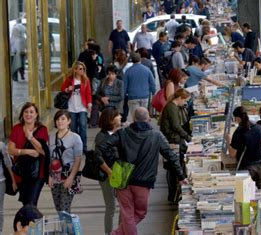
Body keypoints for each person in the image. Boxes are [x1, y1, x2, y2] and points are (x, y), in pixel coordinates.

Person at [96, 107, 186, 235]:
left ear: (133, 118)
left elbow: (101, 148)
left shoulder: (122, 133)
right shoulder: (156, 135)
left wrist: (114, 160)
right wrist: (181, 176)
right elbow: (171, 155)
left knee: (127, 214)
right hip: (143, 182)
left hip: (123, 180)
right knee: (140, 213)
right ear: (148, 118)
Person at [8, 103, 50, 206]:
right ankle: (30, 222)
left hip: (37, 173)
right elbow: (10, 149)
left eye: (31, 112)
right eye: (26, 112)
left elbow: (43, 151)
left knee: (31, 204)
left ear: (36, 115)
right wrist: (27, 151)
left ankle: (33, 221)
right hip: (21, 172)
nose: (28, 114)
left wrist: (30, 137)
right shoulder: (16, 128)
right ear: (22, 114)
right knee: (26, 204)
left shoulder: (42, 129)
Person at [159, 89, 192, 203]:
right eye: (185, 101)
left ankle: (172, 194)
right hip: (173, 140)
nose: (185, 103)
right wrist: (188, 137)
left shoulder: (171, 106)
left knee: (172, 167)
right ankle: (173, 195)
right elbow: (176, 126)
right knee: (173, 167)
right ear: (180, 98)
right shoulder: (172, 108)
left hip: (172, 139)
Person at [48, 110, 83, 213]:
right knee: (59, 209)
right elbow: (49, 159)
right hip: (54, 178)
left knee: (64, 210)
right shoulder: (51, 137)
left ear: (69, 121)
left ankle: (67, 229)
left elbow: (78, 160)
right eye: (57, 119)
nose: (60, 121)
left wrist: (71, 178)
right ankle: (67, 229)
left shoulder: (75, 138)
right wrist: (49, 176)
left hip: (68, 177)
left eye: (63, 119)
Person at [224, 106, 261, 190]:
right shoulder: (258, 128)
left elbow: (232, 154)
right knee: (260, 192)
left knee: (245, 193)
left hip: (247, 167)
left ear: (237, 118)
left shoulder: (239, 132)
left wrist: (228, 140)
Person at [95, 107, 121, 235]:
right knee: (111, 207)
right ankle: (108, 233)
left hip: (120, 174)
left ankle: (121, 231)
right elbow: (98, 157)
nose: (120, 117)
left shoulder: (120, 133)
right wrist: (109, 172)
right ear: (110, 119)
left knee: (123, 206)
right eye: (117, 115)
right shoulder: (101, 136)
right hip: (107, 176)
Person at [61, 61, 92, 153]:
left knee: (83, 126)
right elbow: (62, 89)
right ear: (75, 70)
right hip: (71, 107)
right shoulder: (69, 79)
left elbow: (88, 93)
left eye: (83, 69)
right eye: (80, 69)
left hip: (82, 107)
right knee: (73, 128)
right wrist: (67, 89)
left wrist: (89, 103)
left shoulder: (85, 80)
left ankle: (84, 147)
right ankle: (75, 146)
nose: (82, 70)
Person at [123, 52, 156, 122]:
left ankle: (136, 131)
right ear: (140, 59)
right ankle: (144, 130)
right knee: (143, 116)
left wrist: (123, 97)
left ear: (132, 60)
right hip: (145, 96)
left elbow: (124, 86)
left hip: (132, 97)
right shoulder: (147, 70)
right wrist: (153, 93)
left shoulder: (128, 71)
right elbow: (153, 83)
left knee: (135, 117)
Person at [0, 141, 16, 233]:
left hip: (1, 181)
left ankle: (0, 230)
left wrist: (13, 180)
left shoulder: (1, 145)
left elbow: (8, 163)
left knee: (0, 208)